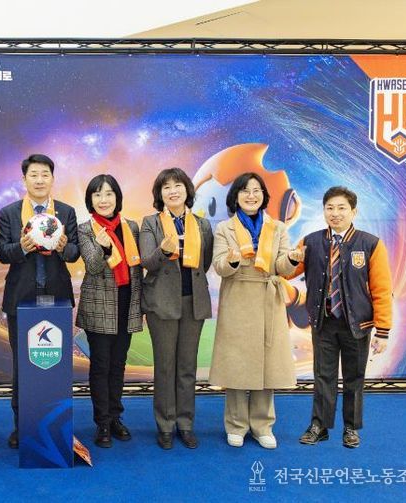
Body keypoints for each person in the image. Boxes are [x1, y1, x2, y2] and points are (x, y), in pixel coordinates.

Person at [209, 172, 303, 449]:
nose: (251, 196)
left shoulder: (277, 228)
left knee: (267, 366)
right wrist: (232, 260)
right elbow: (219, 266)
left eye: (256, 191)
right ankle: (236, 425)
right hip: (237, 296)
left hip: (268, 297)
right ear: (235, 196)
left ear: (264, 196)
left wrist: (292, 259)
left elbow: (282, 267)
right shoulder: (225, 228)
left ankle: (263, 426)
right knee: (237, 363)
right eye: (245, 191)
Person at [293, 186, 392, 448]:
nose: (335, 213)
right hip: (323, 321)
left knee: (354, 378)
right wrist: (291, 259)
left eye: (341, 208)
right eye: (330, 208)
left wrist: (382, 331)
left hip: (356, 324)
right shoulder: (310, 241)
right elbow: (288, 271)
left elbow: (382, 289)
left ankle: (351, 428)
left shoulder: (370, 244)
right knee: (322, 376)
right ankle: (319, 426)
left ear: (353, 211)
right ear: (323, 210)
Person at [0, 154, 79, 448]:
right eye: (34, 174)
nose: (40, 180)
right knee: (24, 365)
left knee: (54, 364)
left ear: (52, 179)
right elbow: (1, 252)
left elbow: (75, 254)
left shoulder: (66, 212)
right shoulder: (10, 213)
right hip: (22, 298)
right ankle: (23, 426)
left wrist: (64, 247)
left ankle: (55, 424)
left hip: (57, 299)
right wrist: (21, 247)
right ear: (24, 180)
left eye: (45, 174)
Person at [140, 167, 214, 450]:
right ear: (160, 194)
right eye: (166, 187)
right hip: (161, 303)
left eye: (178, 185)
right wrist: (164, 250)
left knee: (187, 367)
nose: (173, 191)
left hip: (193, 301)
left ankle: (185, 423)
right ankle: (165, 425)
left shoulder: (201, 224)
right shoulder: (151, 223)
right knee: (165, 366)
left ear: (187, 190)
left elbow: (204, 263)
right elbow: (147, 262)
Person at [76, 174, 142, 448]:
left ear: (117, 197)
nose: (103, 200)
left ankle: (116, 417)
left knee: (118, 365)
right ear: (90, 200)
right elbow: (92, 266)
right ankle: (102, 422)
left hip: (127, 303)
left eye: (109, 194)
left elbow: (137, 266)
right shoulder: (85, 229)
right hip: (99, 306)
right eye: (98, 194)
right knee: (101, 366)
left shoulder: (131, 227)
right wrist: (103, 247)